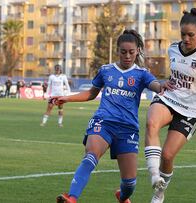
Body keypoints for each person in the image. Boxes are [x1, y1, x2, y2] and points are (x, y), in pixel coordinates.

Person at [54, 30, 172, 203]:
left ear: (137, 50)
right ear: (117, 51)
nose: (127, 56)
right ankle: (72, 198)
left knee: (129, 184)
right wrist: (67, 98)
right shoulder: (106, 70)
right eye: (123, 52)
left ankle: (122, 196)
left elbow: (155, 84)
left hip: (128, 130)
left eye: (131, 52)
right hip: (104, 122)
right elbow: (91, 93)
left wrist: (162, 85)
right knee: (90, 154)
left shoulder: (141, 73)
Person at [144, 8, 196, 203]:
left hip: (190, 110)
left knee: (167, 155)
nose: (186, 39)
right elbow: (176, 76)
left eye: (191, 35)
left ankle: (159, 191)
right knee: (151, 123)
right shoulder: (173, 48)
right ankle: (153, 175)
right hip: (169, 98)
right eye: (183, 34)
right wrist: (164, 83)